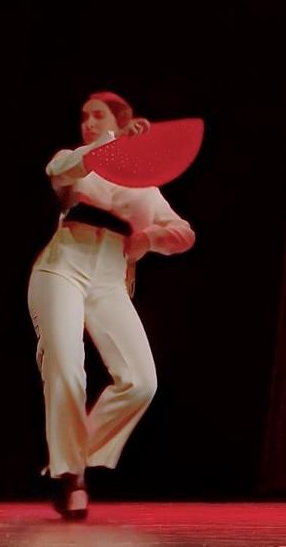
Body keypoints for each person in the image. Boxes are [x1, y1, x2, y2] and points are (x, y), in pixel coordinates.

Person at [28, 91, 195, 519]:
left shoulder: (146, 190)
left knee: (141, 381)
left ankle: (70, 460)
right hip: (61, 270)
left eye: (97, 115)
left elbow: (183, 233)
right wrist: (108, 145)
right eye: (83, 116)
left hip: (109, 283)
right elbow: (59, 170)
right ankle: (71, 478)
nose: (87, 121)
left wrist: (149, 238)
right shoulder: (78, 162)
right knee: (66, 367)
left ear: (123, 122)